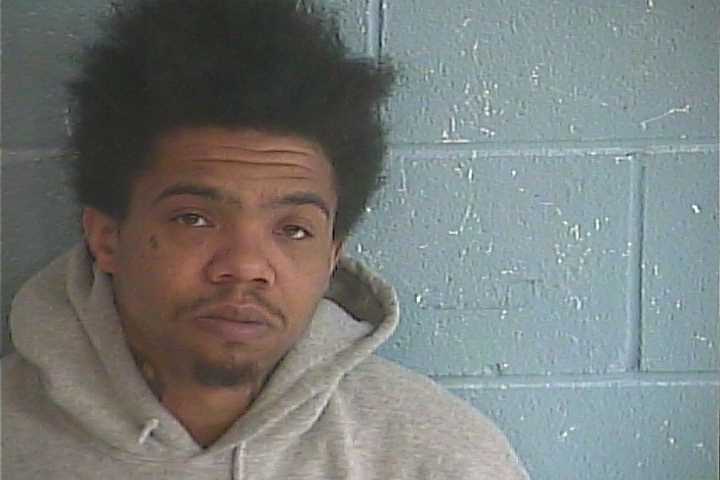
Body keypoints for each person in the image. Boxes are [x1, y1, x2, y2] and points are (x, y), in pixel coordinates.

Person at [2, 0, 529, 478]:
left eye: (293, 230)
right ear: (107, 238)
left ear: (331, 257)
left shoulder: (438, 458)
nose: (247, 266)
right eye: (194, 219)